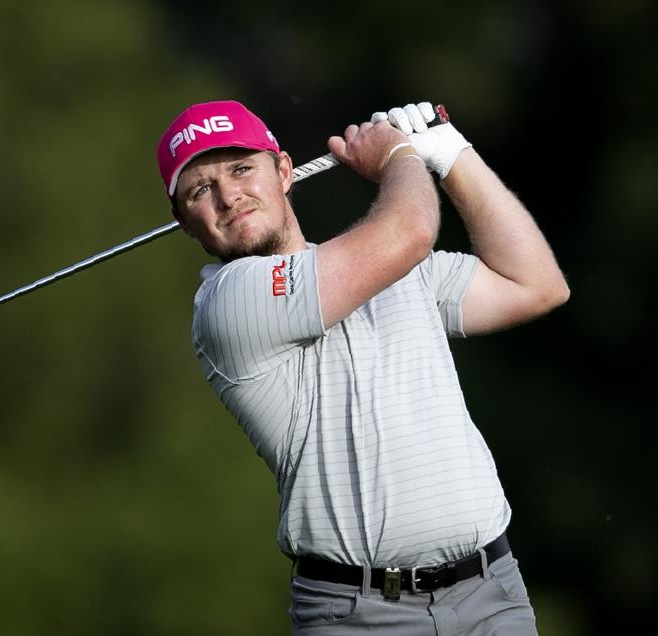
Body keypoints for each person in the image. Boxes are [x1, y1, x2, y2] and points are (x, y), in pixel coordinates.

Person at [155, 100, 569, 635]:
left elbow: (536, 285)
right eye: (200, 190)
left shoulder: (395, 271)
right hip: (359, 615)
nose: (228, 195)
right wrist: (398, 154)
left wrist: (453, 154)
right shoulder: (228, 304)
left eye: (240, 169)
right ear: (184, 221)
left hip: (492, 594)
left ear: (283, 171)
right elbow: (411, 231)